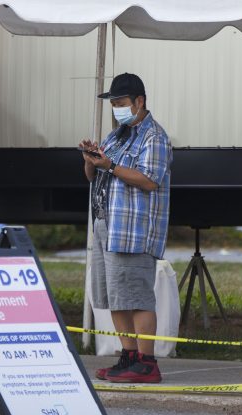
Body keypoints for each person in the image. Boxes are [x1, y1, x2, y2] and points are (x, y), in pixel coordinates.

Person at [79, 73, 172, 383]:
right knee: (115, 296)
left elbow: (150, 180)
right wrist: (91, 160)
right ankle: (128, 356)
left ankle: (147, 362)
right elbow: (93, 177)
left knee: (136, 296)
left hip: (133, 230)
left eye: (120, 103)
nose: (116, 109)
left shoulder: (154, 137)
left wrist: (110, 165)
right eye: (113, 104)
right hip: (106, 225)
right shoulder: (116, 136)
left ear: (139, 101)